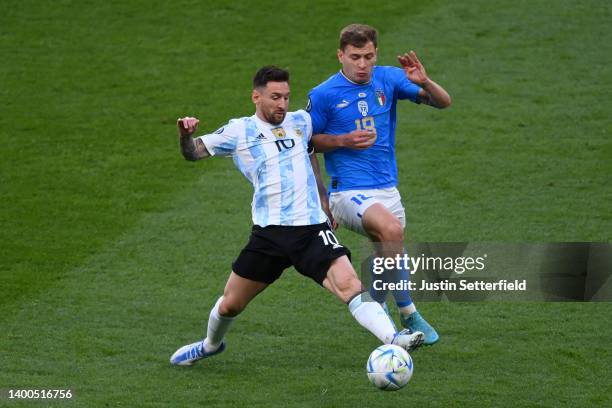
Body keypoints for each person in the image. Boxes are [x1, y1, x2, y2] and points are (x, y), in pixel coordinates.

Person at [170, 66, 424, 366]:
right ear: (256, 97)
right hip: (269, 234)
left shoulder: (301, 122)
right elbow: (194, 153)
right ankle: (210, 345)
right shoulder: (239, 131)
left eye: (287, 97)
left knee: (351, 287)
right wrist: (186, 136)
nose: (282, 104)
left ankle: (393, 338)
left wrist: (324, 198)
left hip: (311, 230)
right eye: (275, 97)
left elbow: (312, 150)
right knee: (229, 306)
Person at [307, 24, 452, 345]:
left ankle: (375, 305)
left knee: (387, 251)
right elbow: (305, 144)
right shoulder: (323, 95)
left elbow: (443, 103)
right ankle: (409, 313)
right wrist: (323, 199)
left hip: (388, 189)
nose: (362, 64)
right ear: (340, 55)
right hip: (347, 193)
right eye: (355, 57)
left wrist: (424, 81)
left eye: (368, 57)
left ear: (376, 55)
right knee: (391, 233)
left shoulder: (388, 78)